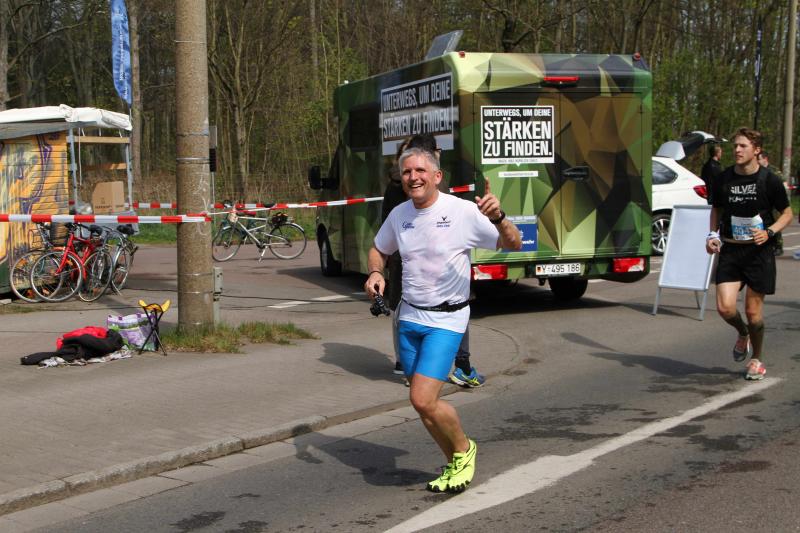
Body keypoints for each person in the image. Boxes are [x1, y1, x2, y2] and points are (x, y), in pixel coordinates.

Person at [365, 143, 521, 493]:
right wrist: (376, 272)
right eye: (407, 172)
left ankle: (464, 449)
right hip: (409, 318)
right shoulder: (400, 215)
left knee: (422, 398)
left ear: (437, 176)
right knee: (423, 405)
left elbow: (513, 243)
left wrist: (498, 217)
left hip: (446, 321)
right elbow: (378, 248)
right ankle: (454, 461)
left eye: (420, 170)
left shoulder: (462, 211)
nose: (413, 177)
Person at [381, 133, 485, 388]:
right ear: (434, 153)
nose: (413, 177)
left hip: (403, 262)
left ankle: (407, 364)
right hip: (433, 270)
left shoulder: (395, 184)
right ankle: (460, 366)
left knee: (403, 308)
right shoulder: (434, 185)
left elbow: (384, 226)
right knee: (452, 308)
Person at [705, 128, 793, 381]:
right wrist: (711, 235)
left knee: (754, 314)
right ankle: (743, 333)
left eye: (743, 146)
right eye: (735, 146)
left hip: (758, 253)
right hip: (731, 249)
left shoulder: (769, 180)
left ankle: (757, 358)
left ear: (756, 150)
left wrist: (770, 231)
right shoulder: (724, 178)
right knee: (725, 308)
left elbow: (787, 213)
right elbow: (717, 209)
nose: (737, 150)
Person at [756, 151, 785, 256]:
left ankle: (778, 245)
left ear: (765, 159)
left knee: (776, 222)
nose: (757, 161)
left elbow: (782, 184)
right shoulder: (757, 171)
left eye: (759, 159)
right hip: (763, 202)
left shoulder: (774, 171)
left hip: (775, 202)